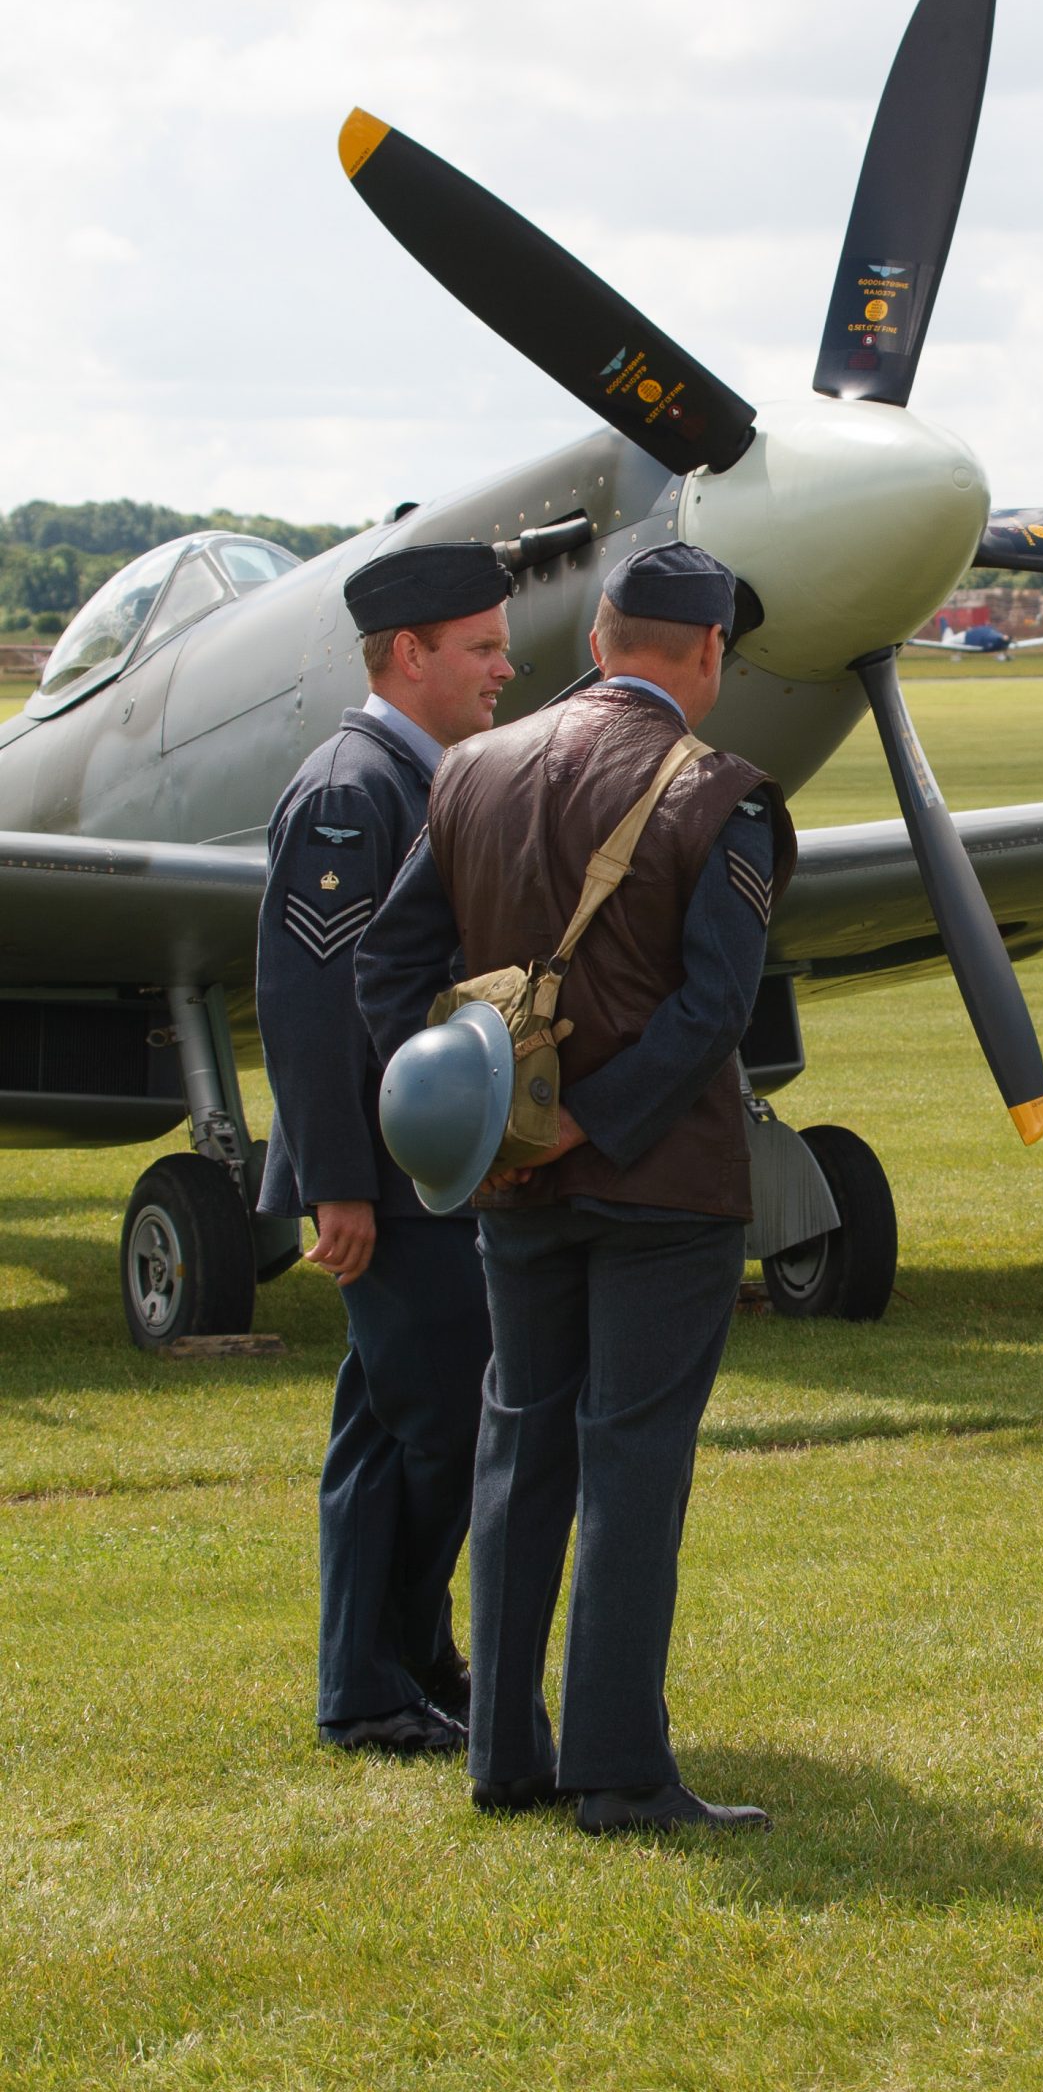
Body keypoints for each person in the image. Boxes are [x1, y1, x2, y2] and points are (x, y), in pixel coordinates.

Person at [355, 541, 797, 1834]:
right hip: (663, 1187)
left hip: (508, 1187)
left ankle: (501, 1753)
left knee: (516, 1448)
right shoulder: (720, 794)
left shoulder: (468, 771)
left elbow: (387, 970)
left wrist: (470, 1119)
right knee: (632, 1464)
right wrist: (594, 1124)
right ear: (709, 655)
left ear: (598, 639)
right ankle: (615, 1772)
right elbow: (717, 1005)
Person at [255, 540, 514, 1755]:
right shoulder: (352, 793)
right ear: (407, 655)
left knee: (390, 1427)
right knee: (441, 1426)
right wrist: (338, 1190)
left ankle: (397, 1665)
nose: (504, 669)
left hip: (415, 1174)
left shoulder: (423, 776)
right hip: (389, 1187)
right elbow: (308, 1011)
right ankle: (377, 1680)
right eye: (481, 647)